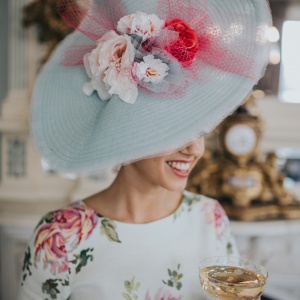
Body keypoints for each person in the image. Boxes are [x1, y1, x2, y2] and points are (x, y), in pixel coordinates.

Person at [17, 0, 272, 299]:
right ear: (128, 135)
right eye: (176, 132)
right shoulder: (60, 236)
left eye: (200, 129)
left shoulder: (210, 218)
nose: (194, 148)